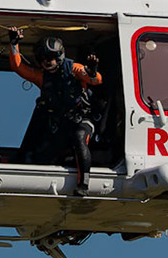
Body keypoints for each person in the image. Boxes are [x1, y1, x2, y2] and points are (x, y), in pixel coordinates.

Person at [9, 31, 104, 192]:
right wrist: (13, 44)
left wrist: (92, 72)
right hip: (59, 125)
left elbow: (95, 80)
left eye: (51, 57)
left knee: (80, 137)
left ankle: (84, 184)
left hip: (82, 120)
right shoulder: (41, 76)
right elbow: (19, 67)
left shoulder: (73, 69)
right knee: (43, 149)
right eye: (44, 58)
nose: (48, 61)